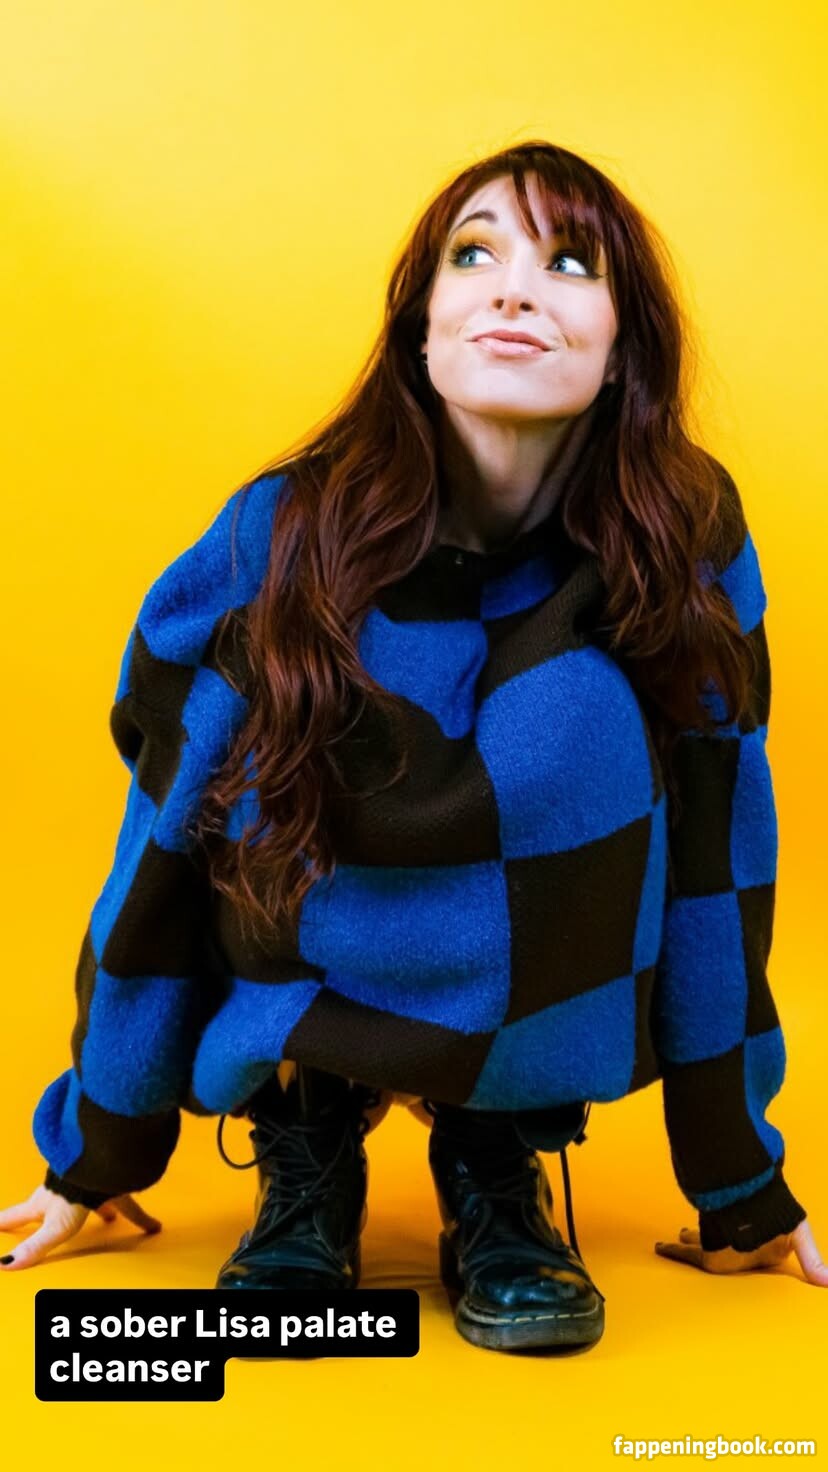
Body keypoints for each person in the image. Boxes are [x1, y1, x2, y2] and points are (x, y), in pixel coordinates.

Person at [2, 141, 825, 1354]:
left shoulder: (680, 534)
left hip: (542, 996)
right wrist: (98, 1148)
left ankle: (499, 1145)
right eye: (474, 255)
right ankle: (308, 1133)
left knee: (581, 717)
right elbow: (161, 840)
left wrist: (738, 1177)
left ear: (621, 348)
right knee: (283, 722)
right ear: (421, 332)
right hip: (300, 972)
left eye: (569, 263)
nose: (515, 289)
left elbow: (719, 860)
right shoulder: (283, 531)